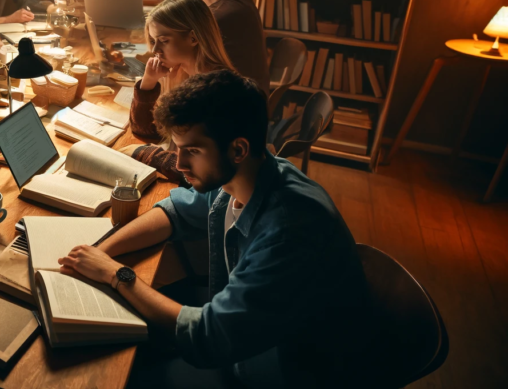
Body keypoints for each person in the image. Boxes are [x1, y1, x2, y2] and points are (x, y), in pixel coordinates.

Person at [58, 70, 368, 388]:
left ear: (238, 149)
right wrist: (101, 252)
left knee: (110, 373)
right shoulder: (248, 175)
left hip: (282, 370)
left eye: (192, 151)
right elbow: (177, 212)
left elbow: (209, 338)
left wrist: (116, 274)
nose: (178, 163)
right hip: (243, 337)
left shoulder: (287, 233)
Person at [126, 0, 236, 182]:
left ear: (193, 38)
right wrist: (149, 81)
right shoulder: (181, 74)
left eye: (164, 40)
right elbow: (145, 130)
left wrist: (145, 154)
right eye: (153, 41)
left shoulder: (215, 92)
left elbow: (201, 172)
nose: (155, 50)